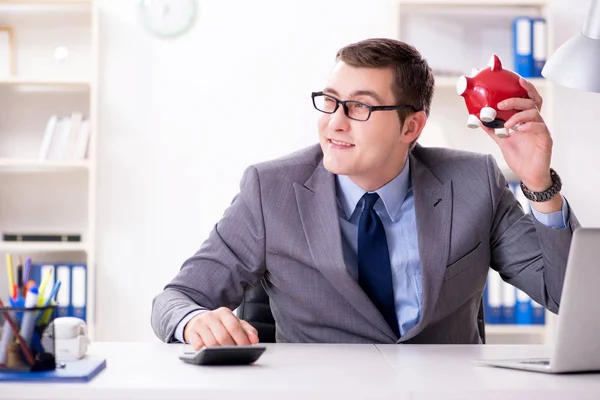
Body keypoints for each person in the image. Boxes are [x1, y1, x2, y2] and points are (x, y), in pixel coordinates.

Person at [151, 38, 580, 348]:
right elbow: (176, 298)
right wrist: (194, 322)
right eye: (330, 100)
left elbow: (569, 297)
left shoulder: (473, 181)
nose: (334, 122)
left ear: (411, 127)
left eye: (360, 107)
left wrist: (539, 184)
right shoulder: (271, 191)